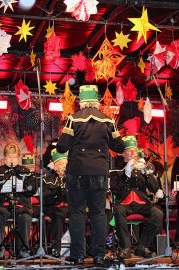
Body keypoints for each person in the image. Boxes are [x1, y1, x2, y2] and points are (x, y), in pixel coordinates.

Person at [56, 84, 125, 266]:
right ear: (97, 100)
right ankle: (99, 255)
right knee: (98, 214)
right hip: (99, 173)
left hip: (77, 172)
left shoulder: (73, 119)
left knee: (77, 213)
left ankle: (78, 255)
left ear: (81, 100)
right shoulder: (108, 121)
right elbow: (120, 147)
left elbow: (62, 147)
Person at [110, 136, 163, 259]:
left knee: (158, 214)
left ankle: (142, 246)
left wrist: (147, 174)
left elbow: (155, 188)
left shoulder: (141, 168)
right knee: (118, 211)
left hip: (141, 204)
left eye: (134, 149)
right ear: (123, 153)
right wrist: (126, 174)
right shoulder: (117, 168)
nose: (133, 153)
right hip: (124, 203)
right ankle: (126, 247)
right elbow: (115, 188)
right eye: (129, 150)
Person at [0, 143, 35, 259]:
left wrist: (24, 187)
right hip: (2, 205)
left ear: (18, 158)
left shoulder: (26, 172)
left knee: (25, 217)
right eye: (9, 157)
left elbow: (32, 190)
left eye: (14, 157)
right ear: (5, 157)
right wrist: (2, 187)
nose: (12, 160)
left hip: (20, 205)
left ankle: (23, 249)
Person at [43, 149, 69, 258]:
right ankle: (56, 248)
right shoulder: (47, 179)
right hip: (53, 208)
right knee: (58, 216)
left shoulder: (72, 178)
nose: (64, 166)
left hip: (69, 207)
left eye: (65, 163)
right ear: (55, 166)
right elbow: (46, 199)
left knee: (80, 215)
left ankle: (82, 248)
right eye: (61, 164)